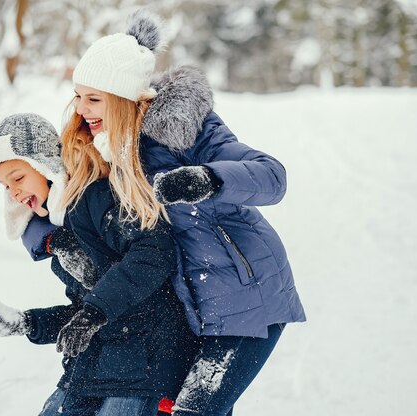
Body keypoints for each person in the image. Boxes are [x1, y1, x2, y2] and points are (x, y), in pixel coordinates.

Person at [22, 11, 306, 416]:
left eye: (94, 98)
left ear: (124, 98)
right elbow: (51, 195)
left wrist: (207, 179)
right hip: (185, 310)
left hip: (244, 299)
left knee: (196, 410)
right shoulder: (102, 146)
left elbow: (272, 175)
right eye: (78, 95)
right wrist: (42, 237)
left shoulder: (187, 131)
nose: (81, 109)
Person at [0, 113, 198, 416]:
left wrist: (94, 312)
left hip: (146, 366)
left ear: (45, 165)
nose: (13, 191)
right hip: (94, 369)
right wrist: (28, 323)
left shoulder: (95, 198)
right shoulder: (61, 230)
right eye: (5, 185)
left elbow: (154, 251)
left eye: (18, 178)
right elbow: (85, 311)